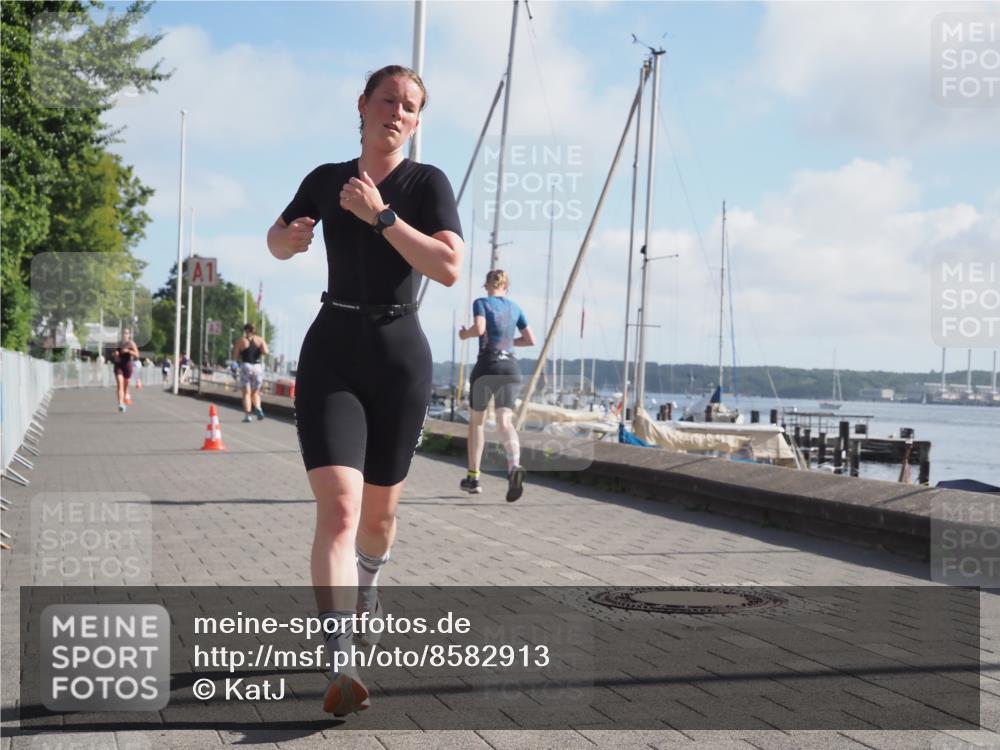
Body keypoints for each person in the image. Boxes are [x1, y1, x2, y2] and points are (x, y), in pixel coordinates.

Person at [266, 65, 463, 717]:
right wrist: (290, 241)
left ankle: (370, 581)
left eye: (409, 106)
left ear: (417, 120)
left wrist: (381, 218)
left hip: (400, 358)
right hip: (333, 352)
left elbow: (448, 266)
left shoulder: (426, 184)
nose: (397, 112)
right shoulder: (327, 178)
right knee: (340, 510)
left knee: (377, 520)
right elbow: (275, 238)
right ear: (363, 105)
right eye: (387, 100)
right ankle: (339, 657)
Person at [458, 270, 535, 501]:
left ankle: (473, 478)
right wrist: (508, 342)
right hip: (510, 368)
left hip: (487, 367)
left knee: (477, 423)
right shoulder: (515, 308)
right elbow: (530, 340)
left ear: (486, 285)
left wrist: (465, 334)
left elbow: (480, 329)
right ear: (506, 287)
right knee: (504, 421)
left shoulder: (481, 303)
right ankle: (513, 467)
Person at [232, 323, 269, 422]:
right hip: (257, 367)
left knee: (246, 393)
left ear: (246, 330)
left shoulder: (241, 340)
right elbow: (266, 351)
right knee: (256, 392)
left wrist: (235, 362)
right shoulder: (260, 340)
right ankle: (258, 407)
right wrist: (259, 350)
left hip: (246, 366)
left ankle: (248, 415)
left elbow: (235, 355)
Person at [112, 328, 139, 412]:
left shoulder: (131, 343)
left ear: (129, 335)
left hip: (127, 365)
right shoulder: (118, 344)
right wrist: (115, 354)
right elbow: (114, 353)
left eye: (126, 333)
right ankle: (121, 404)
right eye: (123, 333)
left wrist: (128, 351)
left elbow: (137, 355)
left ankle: (125, 396)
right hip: (118, 365)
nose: (125, 335)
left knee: (125, 384)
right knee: (120, 384)